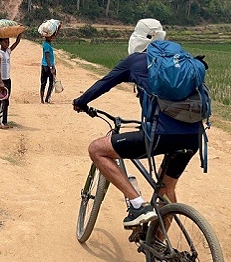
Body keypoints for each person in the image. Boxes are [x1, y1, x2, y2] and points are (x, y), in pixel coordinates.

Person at [72, 18, 203, 228]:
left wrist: (81, 102)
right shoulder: (180, 60)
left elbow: (104, 83)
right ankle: (160, 249)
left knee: (97, 149)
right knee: (165, 191)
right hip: (193, 136)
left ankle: (137, 205)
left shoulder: (135, 61)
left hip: (161, 135)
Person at [0, 33, 22, 129]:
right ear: (1, 42)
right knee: (3, 101)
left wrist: (20, 34)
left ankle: (4, 122)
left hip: (8, 79)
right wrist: (1, 82)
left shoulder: (8, 52)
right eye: (5, 41)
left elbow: (17, 42)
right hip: (1, 80)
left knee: (6, 101)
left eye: (8, 42)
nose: (7, 43)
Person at [40, 34, 56, 104]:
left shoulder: (47, 43)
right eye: (50, 36)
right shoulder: (46, 45)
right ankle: (45, 99)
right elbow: (47, 57)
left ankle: (44, 99)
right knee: (49, 83)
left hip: (46, 65)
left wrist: (58, 27)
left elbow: (54, 36)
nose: (52, 37)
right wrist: (51, 68)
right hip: (48, 66)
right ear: (46, 37)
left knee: (44, 83)